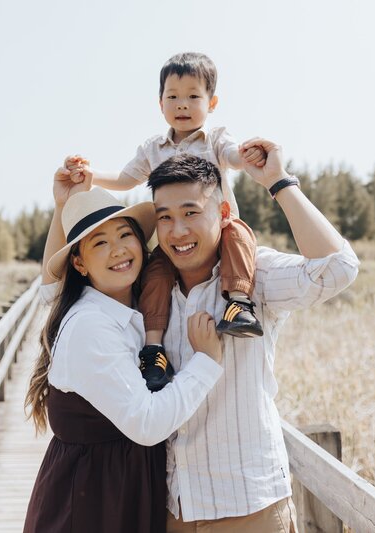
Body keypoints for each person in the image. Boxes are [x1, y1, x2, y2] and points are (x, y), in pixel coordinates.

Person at [147, 145, 360, 532]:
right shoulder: (152, 294)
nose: (178, 231)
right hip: (176, 507)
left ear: (224, 213)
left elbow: (339, 268)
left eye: (191, 213)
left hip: (249, 506)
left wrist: (279, 183)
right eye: (165, 218)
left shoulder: (255, 275)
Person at [22, 165, 225, 533]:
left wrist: (63, 205)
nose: (118, 250)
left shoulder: (138, 302)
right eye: (100, 243)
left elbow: (49, 287)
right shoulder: (89, 325)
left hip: (120, 492)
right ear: (79, 263)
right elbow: (146, 423)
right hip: (91, 503)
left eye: (124, 235)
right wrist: (207, 362)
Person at [66, 52, 268, 392]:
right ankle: (154, 347)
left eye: (193, 96)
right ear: (160, 104)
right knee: (156, 274)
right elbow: (126, 178)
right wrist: (92, 176)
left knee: (239, 235)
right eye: (172, 96)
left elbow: (233, 157)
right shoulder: (153, 147)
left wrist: (247, 156)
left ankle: (238, 304)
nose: (182, 104)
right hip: (174, 241)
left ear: (212, 102)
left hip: (218, 231)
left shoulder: (216, 139)